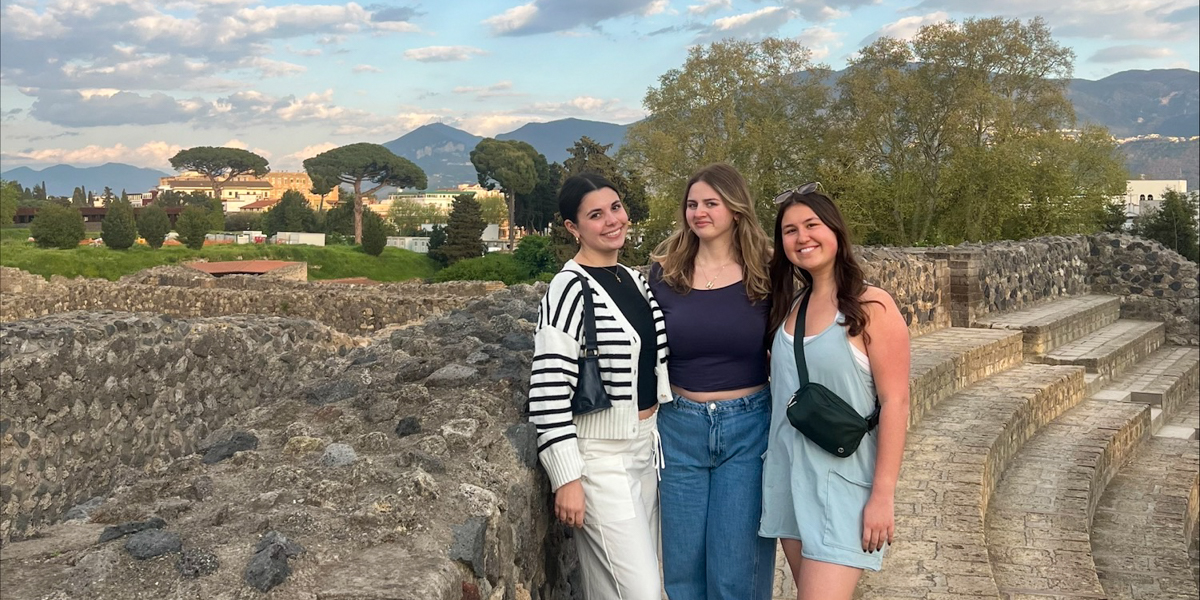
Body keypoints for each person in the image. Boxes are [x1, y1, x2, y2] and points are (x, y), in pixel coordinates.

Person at [759, 183, 910, 600]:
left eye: (812, 224)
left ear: (836, 232)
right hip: (790, 481)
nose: (802, 237)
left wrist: (883, 495)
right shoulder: (791, 308)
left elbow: (896, 402)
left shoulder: (871, 307)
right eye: (789, 230)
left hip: (843, 483)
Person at [527, 172, 672, 600]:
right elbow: (549, 388)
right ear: (574, 228)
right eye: (595, 215)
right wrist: (567, 478)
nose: (612, 220)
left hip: (646, 450)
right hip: (600, 460)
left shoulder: (633, 279)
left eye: (615, 208)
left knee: (627, 587)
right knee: (641, 591)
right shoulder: (568, 288)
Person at [649, 163, 776, 600]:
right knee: (682, 570)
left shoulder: (768, 273)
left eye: (710, 203)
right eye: (691, 204)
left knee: (734, 567)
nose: (699, 212)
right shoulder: (663, 274)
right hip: (679, 428)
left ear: (736, 210)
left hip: (748, 428)